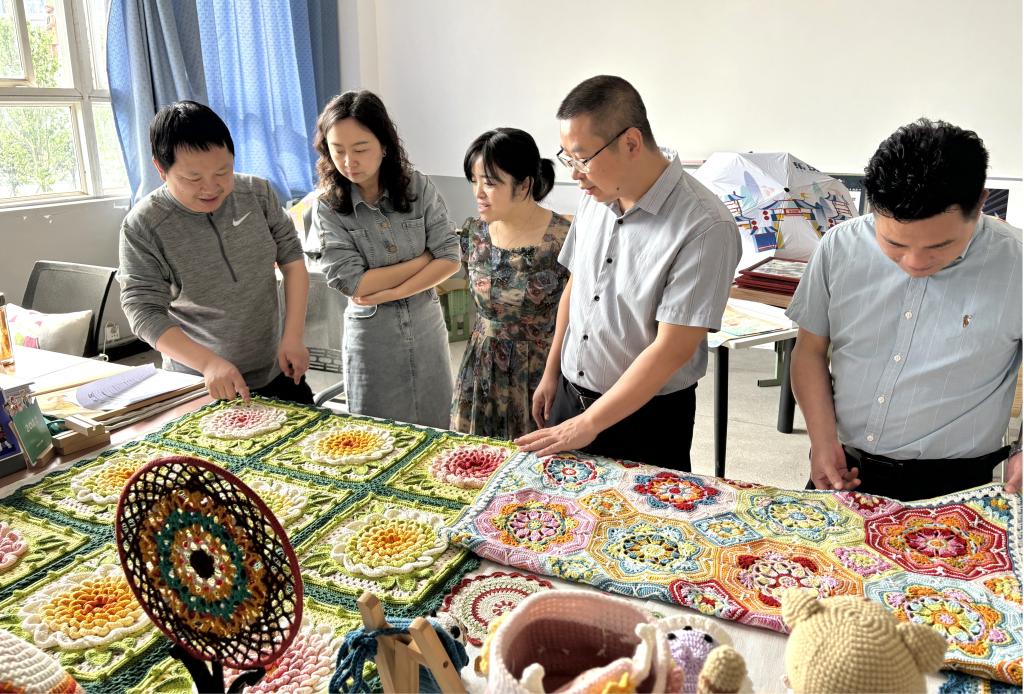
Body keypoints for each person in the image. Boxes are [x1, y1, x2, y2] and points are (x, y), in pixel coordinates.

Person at [787, 118, 1022, 501]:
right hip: (845, 467)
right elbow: (810, 350)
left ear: (980, 203)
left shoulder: (1017, 264)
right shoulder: (840, 246)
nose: (914, 262)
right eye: (894, 244)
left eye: (939, 246)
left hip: (956, 483)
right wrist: (822, 439)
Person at [517, 76, 742, 470]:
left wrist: (588, 424)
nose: (575, 174)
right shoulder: (596, 195)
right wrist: (552, 372)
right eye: (568, 158)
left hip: (647, 418)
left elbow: (672, 349)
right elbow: (577, 286)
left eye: (582, 158)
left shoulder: (705, 225)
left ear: (632, 143)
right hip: (571, 397)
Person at [118, 100, 312, 404]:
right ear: (160, 169)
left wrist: (293, 336)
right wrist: (208, 363)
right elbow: (143, 312)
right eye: (193, 178)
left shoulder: (258, 194)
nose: (211, 188)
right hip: (200, 384)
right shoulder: (144, 225)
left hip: (276, 372)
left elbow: (292, 260)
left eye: (223, 172)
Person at [313, 90, 460, 428]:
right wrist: (423, 260)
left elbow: (450, 257)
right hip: (372, 337)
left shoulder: (417, 187)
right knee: (375, 434)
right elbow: (353, 283)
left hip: (426, 328)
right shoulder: (328, 206)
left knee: (437, 430)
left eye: (360, 149)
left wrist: (393, 291)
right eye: (338, 150)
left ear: (384, 146)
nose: (349, 161)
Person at [450, 128, 571, 440]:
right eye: (474, 180)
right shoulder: (474, 233)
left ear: (524, 185)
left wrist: (553, 373)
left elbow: (575, 316)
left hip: (540, 373)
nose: (478, 192)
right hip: (480, 371)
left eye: (490, 183)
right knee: (476, 459)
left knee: (535, 461)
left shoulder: (563, 237)